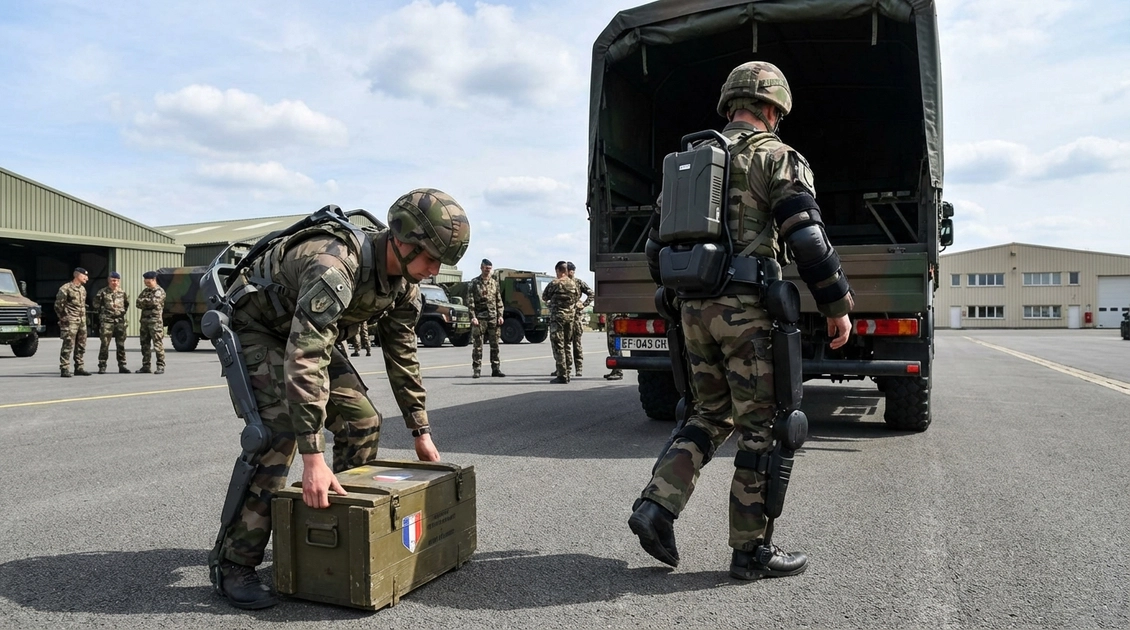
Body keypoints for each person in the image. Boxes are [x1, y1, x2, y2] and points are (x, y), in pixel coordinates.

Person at [628, 61, 853, 581]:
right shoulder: (777, 157)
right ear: (773, 108)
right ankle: (751, 552)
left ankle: (656, 507)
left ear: (730, 105)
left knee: (708, 415)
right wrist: (837, 305)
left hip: (693, 311)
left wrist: (688, 297)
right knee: (763, 430)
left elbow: (654, 252)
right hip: (747, 313)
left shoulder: (686, 163)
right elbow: (807, 239)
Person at [211, 189, 470, 610]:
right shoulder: (334, 265)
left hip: (308, 333)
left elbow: (402, 354)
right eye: (430, 258)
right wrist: (314, 458)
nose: (434, 270)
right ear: (402, 240)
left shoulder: (405, 285)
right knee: (279, 434)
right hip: (261, 329)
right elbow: (306, 356)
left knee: (362, 421)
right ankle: (234, 563)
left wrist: (420, 429)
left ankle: (341, 531)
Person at [542, 261, 579, 384]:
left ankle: (562, 375)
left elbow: (544, 297)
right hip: (570, 318)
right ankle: (568, 371)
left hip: (558, 318)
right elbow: (577, 297)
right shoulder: (573, 284)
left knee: (558, 346)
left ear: (558, 270)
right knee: (567, 344)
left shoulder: (555, 283)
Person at [467, 258, 505, 378]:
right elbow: (470, 301)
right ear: (481, 268)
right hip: (480, 318)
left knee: (495, 345)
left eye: (489, 269)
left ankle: (496, 369)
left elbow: (499, 300)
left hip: (493, 317)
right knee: (478, 346)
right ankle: (477, 369)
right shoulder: (474, 283)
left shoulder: (494, 283)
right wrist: (473, 317)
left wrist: (500, 315)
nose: (488, 271)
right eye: (486, 268)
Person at [93, 271, 131, 374]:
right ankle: (102, 365)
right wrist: (104, 314)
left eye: (117, 281)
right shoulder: (102, 292)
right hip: (107, 321)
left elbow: (126, 305)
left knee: (121, 344)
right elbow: (96, 305)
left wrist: (120, 313)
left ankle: (122, 365)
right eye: (113, 280)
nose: (115, 283)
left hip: (119, 321)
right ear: (109, 281)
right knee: (105, 343)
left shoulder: (122, 293)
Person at [55, 267, 90, 377]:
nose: (87, 278)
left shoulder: (83, 289)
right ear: (77, 275)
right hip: (70, 321)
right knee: (68, 344)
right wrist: (64, 319)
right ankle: (64, 368)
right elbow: (58, 306)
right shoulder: (65, 288)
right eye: (84, 276)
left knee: (81, 345)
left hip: (81, 321)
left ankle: (79, 367)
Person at [135, 271, 166, 375]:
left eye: (148, 282)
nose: (146, 284)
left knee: (157, 344)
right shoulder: (145, 291)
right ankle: (146, 366)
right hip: (144, 322)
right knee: (144, 344)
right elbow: (137, 303)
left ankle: (160, 366)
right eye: (145, 282)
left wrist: (144, 301)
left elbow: (154, 302)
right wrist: (146, 301)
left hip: (155, 322)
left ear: (154, 280)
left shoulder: (159, 291)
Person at [566, 262, 593, 378]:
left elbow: (591, 294)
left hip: (576, 317)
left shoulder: (578, 282)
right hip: (565, 317)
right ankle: (564, 368)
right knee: (564, 344)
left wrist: (583, 304)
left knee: (576, 344)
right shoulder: (561, 282)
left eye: (569, 271)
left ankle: (579, 368)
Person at [603, 313, 623, 380]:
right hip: (612, 321)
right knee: (612, 346)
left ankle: (618, 371)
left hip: (615, 321)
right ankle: (615, 370)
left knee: (616, 346)